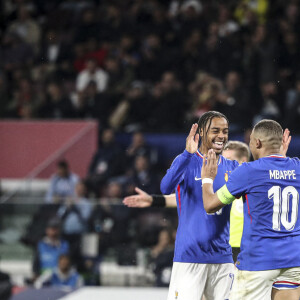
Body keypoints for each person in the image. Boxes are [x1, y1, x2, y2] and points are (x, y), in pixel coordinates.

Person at [201, 120, 299, 300]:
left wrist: (207, 179)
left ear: (257, 143)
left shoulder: (248, 172)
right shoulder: (297, 167)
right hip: (294, 259)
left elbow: (210, 205)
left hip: (259, 259)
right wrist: (281, 157)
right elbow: (278, 173)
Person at [123, 140, 251, 262]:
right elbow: (190, 199)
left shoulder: (252, 187)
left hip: (245, 250)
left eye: (228, 160)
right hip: (221, 250)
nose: (224, 164)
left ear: (243, 161)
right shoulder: (223, 186)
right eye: (222, 159)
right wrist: (154, 200)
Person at [160, 111, 239, 300]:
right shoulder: (187, 162)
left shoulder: (233, 167)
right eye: (216, 130)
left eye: (225, 131)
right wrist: (187, 154)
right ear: (202, 132)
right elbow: (165, 187)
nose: (221, 136)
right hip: (189, 257)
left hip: (223, 259)